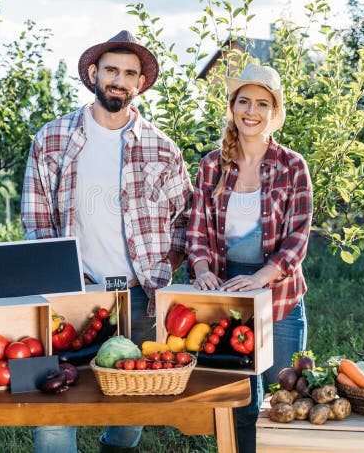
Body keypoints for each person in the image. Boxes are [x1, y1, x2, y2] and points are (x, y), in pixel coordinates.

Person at [21, 30, 193, 453]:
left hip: (138, 297)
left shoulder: (162, 149)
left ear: (140, 85)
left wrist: (162, 270)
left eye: (129, 74)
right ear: (94, 73)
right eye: (112, 69)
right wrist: (60, 283)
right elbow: (36, 222)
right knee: (53, 404)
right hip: (70, 294)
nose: (119, 79)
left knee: (130, 407)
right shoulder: (52, 140)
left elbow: (185, 221)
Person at [186, 63, 312, 452]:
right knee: (241, 396)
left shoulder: (292, 166)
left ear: (274, 112)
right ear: (232, 107)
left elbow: (297, 235)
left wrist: (261, 277)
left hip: (278, 289)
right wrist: (203, 270)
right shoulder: (212, 165)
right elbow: (198, 229)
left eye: (261, 104)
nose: (251, 112)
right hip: (227, 287)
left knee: (284, 389)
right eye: (244, 102)